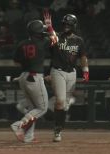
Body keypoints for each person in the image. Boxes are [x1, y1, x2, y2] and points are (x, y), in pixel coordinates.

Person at [43, 11, 89, 142]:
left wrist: (85, 72)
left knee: (65, 104)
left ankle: (59, 127)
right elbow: (52, 37)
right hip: (57, 71)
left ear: (74, 25)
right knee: (60, 101)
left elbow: (83, 57)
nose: (66, 26)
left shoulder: (79, 40)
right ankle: (57, 130)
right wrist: (49, 27)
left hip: (72, 73)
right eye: (65, 24)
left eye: (69, 24)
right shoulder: (57, 37)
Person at [11, 19, 57, 143]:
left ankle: (28, 136)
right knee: (42, 108)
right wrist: (49, 29)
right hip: (34, 77)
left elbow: (16, 62)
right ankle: (19, 125)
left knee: (33, 108)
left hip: (23, 76)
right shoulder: (42, 42)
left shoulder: (22, 43)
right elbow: (56, 39)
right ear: (38, 31)